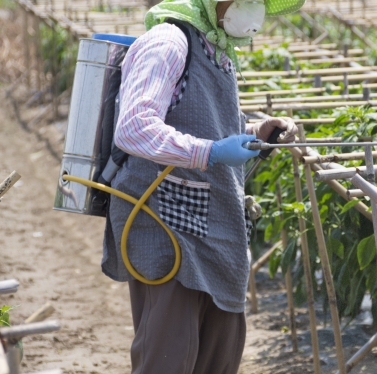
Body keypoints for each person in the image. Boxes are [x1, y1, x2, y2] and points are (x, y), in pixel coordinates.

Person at [101, 0, 305, 373]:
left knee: (219, 357)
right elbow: (134, 128)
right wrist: (210, 152)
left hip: (213, 229)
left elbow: (199, 124)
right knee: (168, 359)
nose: (253, 8)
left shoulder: (216, 50)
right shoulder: (168, 41)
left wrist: (253, 133)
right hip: (166, 224)